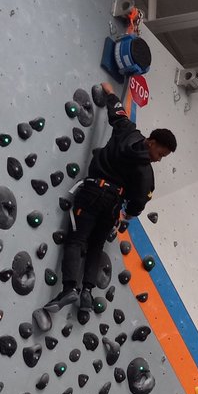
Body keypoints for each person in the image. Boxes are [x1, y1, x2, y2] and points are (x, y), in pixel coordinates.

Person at [36, 82, 176, 330]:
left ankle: (69, 289)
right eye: (161, 153)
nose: (158, 158)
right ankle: (86, 291)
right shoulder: (145, 172)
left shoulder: (126, 131)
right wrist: (128, 214)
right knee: (95, 245)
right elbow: (139, 201)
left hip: (92, 190)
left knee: (77, 239)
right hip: (113, 203)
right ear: (152, 142)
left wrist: (110, 92)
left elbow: (117, 111)